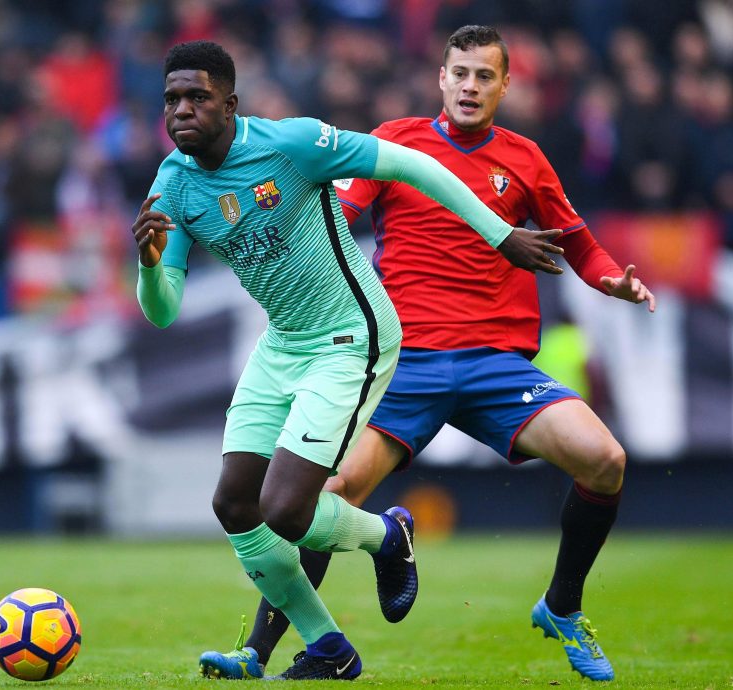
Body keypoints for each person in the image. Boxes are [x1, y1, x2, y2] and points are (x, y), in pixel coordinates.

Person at [198, 25, 656, 683]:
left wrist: (610, 277)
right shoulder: (395, 141)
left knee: (605, 461)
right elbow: (342, 208)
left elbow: (577, 242)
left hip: (494, 364)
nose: (470, 86)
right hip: (403, 362)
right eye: (460, 73)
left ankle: (562, 605)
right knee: (323, 495)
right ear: (440, 78)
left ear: (504, 84)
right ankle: (261, 652)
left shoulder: (525, 159)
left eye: (484, 76)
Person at [133, 40, 566, 682]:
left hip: (350, 334)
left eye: (197, 97)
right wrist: (148, 265)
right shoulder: (173, 183)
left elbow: (412, 165)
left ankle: (389, 537)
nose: (181, 111)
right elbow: (163, 310)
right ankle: (329, 648)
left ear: (230, 104)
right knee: (234, 504)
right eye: (171, 99)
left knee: (285, 509)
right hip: (282, 342)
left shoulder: (293, 143)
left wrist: (499, 234)